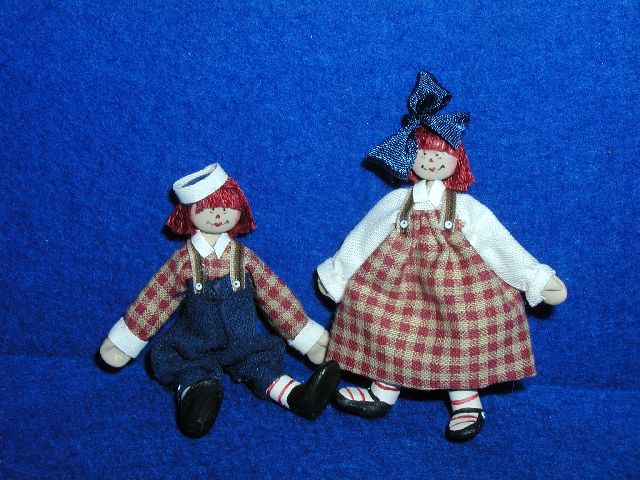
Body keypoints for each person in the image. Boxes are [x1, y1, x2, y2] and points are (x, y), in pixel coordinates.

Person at [317, 71, 567, 442]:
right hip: (397, 283)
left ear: (456, 160)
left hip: (458, 287)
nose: (431, 160)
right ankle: (382, 391)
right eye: (423, 153)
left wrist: (534, 277)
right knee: (387, 329)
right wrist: (338, 274)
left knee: (461, 336)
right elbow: (366, 235)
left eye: (441, 154)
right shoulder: (397, 202)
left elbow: (496, 242)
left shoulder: (466, 208)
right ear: (410, 157)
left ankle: (466, 401)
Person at [100, 163, 340, 438]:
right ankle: (197, 399)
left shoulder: (244, 258)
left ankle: (297, 397)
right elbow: (157, 299)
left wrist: (307, 338)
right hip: (195, 344)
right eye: (208, 208)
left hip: (243, 342)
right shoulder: (184, 262)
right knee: (188, 367)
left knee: (262, 365)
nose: (218, 215)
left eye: (226, 207)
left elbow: (275, 297)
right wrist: (125, 341)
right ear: (188, 213)